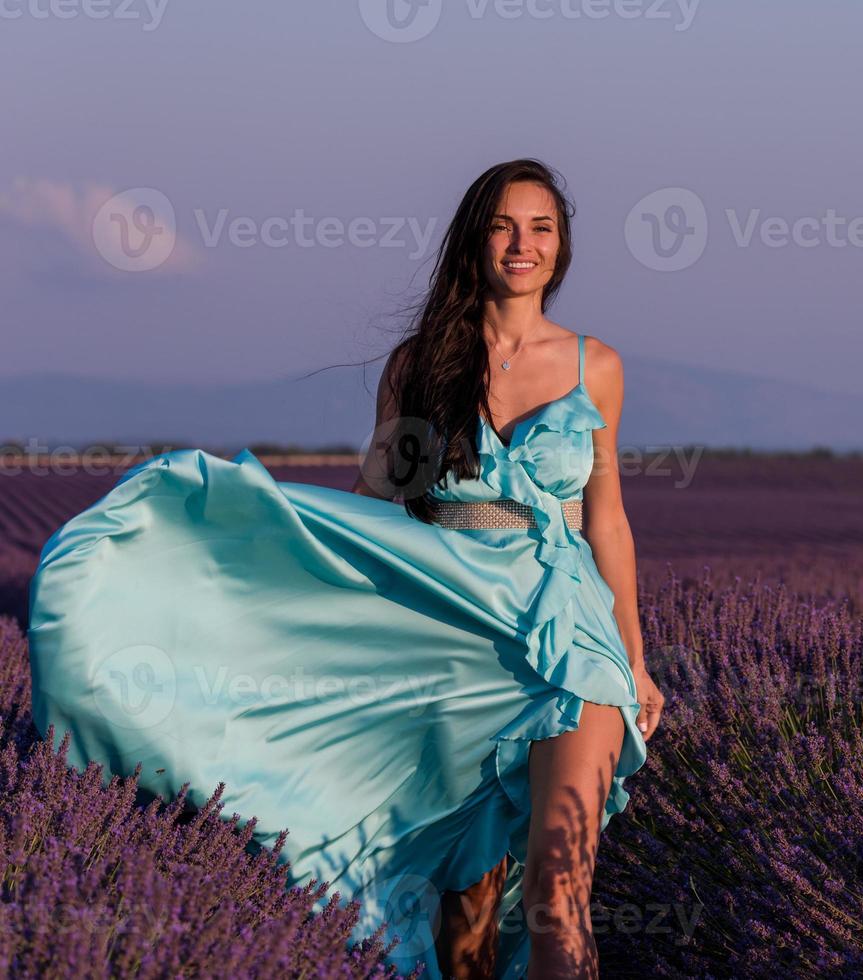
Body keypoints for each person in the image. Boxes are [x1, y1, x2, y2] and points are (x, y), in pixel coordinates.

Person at [27, 158, 665, 980]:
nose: (521, 244)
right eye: (504, 225)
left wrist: (636, 658)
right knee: (464, 918)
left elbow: (607, 520)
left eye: (541, 228)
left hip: (570, 634)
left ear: (562, 246)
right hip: (456, 633)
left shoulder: (595, 366)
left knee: (557, 893)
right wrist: (279, 545)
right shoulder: (423, 361)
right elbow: (382, 502)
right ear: (475, 239)